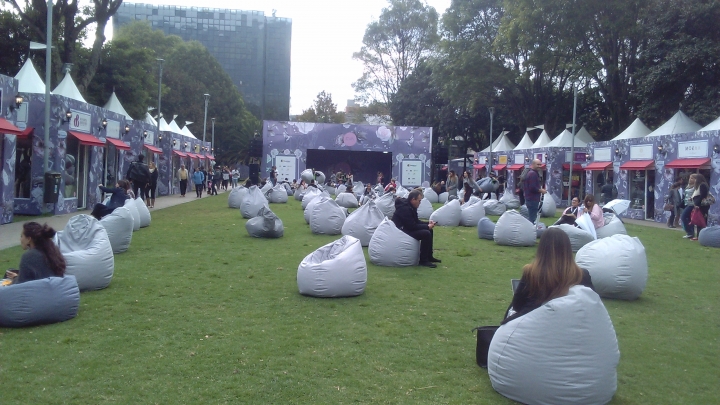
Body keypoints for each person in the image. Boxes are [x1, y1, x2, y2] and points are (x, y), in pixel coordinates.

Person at [502, 228, 594, 325]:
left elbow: (517, 305)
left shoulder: (532, 272)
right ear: (568, 249)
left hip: (534, 324)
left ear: (542, 249)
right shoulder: (582, 274)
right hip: (571, 324)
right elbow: (592, 303)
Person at [391, 189, 441, 268]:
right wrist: (427, 226)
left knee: (429, 230)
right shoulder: (405, 209)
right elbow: (412, 226)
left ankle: (429, 256)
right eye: (419, 201)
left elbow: (416, 221)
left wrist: (428, 223)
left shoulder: (411, 206)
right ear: (413, 199)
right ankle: (423, 260)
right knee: (426, 233)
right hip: (401, 231)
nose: (420, 203)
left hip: (407, 228)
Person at [522, 159, 547, 224]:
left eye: (540, 164)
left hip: (529, 198)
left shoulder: (531, 173)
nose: (539, 166)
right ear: (533, 165)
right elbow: (532, 187)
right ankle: (531, 231)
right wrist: (541, 190)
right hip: (532, 199)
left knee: (531, 216)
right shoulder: (533, 174)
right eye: (537, 164)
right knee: (532, 218)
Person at [689, 173, 711, 240]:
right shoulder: (703, 184)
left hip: (702, 206)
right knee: (700, 221)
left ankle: (700, 236)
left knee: (701, 221)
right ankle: (699, 236)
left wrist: (697, 204)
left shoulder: (702, 185)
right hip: (702, 205)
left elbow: (702, 196)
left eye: (695, 179)